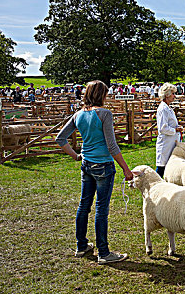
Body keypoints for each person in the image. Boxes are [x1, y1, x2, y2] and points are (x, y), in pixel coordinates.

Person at [55, 80, 132, 264]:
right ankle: (104, 253)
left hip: (87, 165)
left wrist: (76, 156)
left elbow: (60, 138)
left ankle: (81, 246)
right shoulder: (105, 114)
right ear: (101, 95)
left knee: (84, 205)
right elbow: (112, 145)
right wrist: (126, 169)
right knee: (101, 209)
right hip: (103, 165)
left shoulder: (78, 115)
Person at [155, 83, 183, 177]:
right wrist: (175, 130)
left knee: (169, 167)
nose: (174, 96)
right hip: (166, 143)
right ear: (167, 95)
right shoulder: (163, 109)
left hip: (171, 142)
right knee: (161, 168)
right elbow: (163, 128)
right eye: (172, 94)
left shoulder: (168, 108)